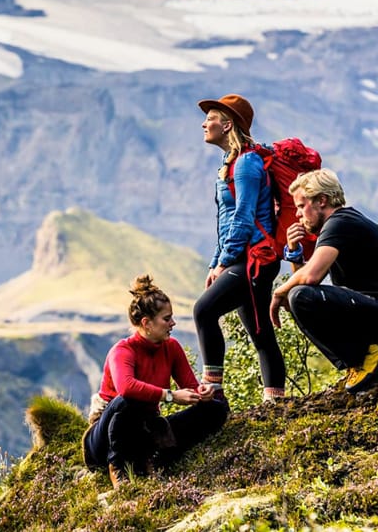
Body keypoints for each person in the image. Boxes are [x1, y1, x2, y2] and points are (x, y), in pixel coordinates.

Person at [269, 168, 378, 393]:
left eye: (300, 205)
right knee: (299, 296)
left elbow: (309, 278)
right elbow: (308, 281)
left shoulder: (340, 223)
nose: (297, 214)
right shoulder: (340, 225)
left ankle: (368, 356)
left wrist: (279, 292)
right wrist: (294, 253)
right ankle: (361, 360)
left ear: (322, 200)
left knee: (298, 296)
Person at [83, 275, 228, 487]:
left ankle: (153, 457)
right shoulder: (122, 351)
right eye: (166, 319)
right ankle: (118, 467)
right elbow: (127, 387)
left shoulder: (171, 347)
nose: (173, 323)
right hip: (104, 440)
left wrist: (202, 393)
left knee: (216, 409)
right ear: (146, 323)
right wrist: (170, 396)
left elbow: (190, 386)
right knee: (127, 401)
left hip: (144, 429)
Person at [192, 94, 287, 403]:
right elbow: (226, 221)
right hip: (248, 258)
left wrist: (224, 263)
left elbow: (243, 218)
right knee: (259, 332)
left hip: (254, 259)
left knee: (203, 311)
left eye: (212, 118)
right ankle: (274, 400)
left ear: (228, 124)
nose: (205, 123)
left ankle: (214, 392)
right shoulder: (233, 161)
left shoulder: (246, 163)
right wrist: (215, 262)